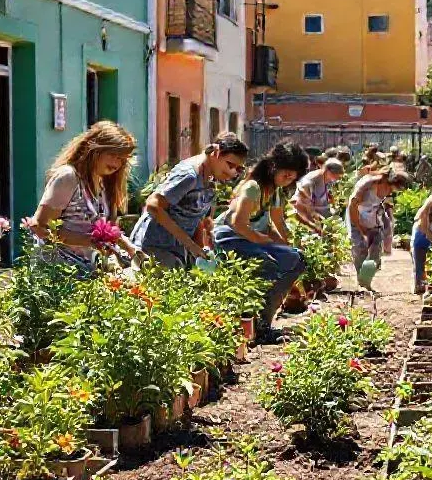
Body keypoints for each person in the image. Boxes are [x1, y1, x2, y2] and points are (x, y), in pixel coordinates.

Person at [213, 143, 310, 342]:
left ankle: (263, 322)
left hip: (250, 240)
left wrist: (288, 247)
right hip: (229, 239)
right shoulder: (252, 187)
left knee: (296, 260)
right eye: (286, 175)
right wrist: (262, 240)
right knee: (268, 265)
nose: (287, 181)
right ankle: (253, 325)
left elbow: (278, 223)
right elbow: (237, 223)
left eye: (292, 178)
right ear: (274, 167)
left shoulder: (273, 191)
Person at [29, 121, 139, 275]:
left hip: (85, 273)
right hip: (56, 277)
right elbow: (39, 226)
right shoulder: (68, 177)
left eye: (121, 159)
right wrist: (90, 241)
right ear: (94, 150)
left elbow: (106, 230)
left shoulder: (103, 183)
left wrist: (132, 250)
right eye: (113, 155)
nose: (116, 164)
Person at [130, 133, 248, 269]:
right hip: (153, 247)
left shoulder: (211, 177)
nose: (233, 173)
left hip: (177, 249)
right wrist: (190, 245)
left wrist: (201, 248)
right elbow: (153, 205)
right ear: (216, 152)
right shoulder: (189, 175)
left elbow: (194, 217)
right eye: (230, 165)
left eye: (239, 169)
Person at [346, 169, 410, 287]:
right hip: (356, 216)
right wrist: (360, 228)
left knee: (375, 252)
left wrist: (388, 224)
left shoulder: (389, 189)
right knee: (360, 249)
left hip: (373, 219)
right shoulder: (368, 184)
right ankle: (362, 283)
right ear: (388, 181)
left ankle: (365, 281)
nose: (392, 191)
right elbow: (352, 205)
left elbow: (386, 206)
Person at [292, 158, 345, 234]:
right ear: (328, 171)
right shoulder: (311, 180)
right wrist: (314, 220)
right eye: (335, 176)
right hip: (306, 217)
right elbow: (302, 200)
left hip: (321, 216)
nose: (336, 179)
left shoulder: (326, 178)